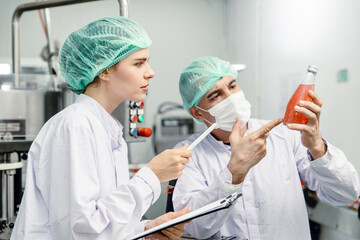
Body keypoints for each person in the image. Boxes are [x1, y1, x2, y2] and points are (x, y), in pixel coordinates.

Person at [11, 16, 192, 240]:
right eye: (138, 63)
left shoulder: (107, 129)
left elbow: (103, 221)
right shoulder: (75, 126)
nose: (150, 72)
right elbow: (80, 231)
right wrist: (151, 175)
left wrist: (145, 230)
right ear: (103, 71)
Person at [172, 56, 360, 240]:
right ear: (197, 112)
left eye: (232, 86)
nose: (231, 98)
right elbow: (194, 227)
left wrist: (317, 147)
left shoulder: (284, 135)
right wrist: (233, 174)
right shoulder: (188, 155)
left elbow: (346, 194)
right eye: (215, 95)